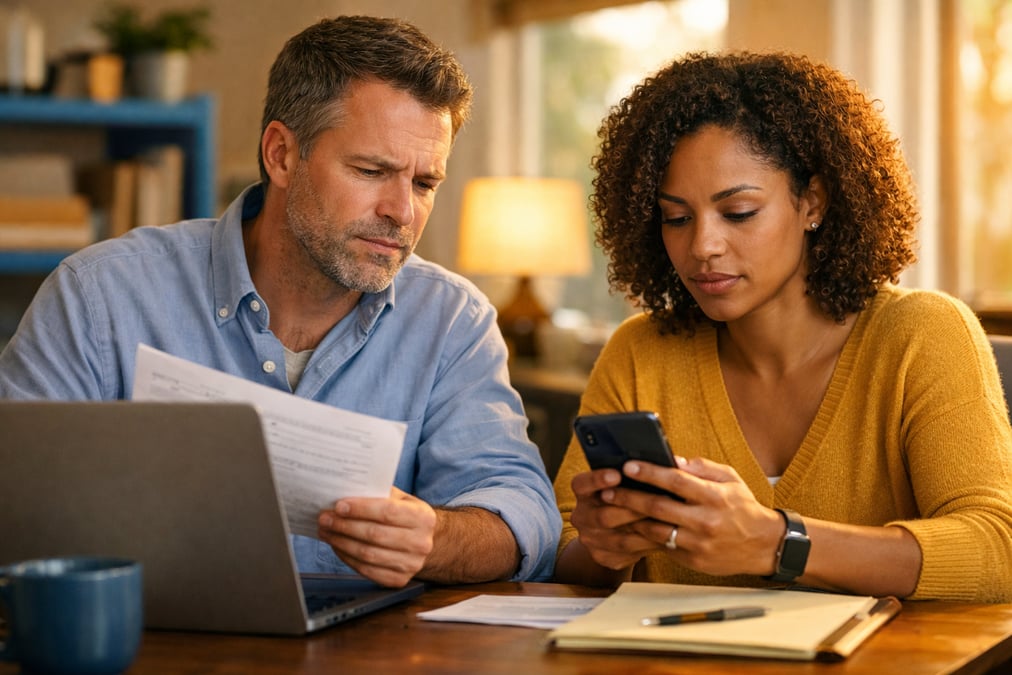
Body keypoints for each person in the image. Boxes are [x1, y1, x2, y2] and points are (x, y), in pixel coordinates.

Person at [0, 15, 560, 589]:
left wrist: (434, 539)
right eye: (371, 171)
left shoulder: (452, 321)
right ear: (282, 155)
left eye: (424, 184)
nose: (403, 212)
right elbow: (15, 500)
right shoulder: (100, 295)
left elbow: (524, 516)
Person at [553, 51, 1012, 602]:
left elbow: (996, 551)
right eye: (676, 218)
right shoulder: (641, 351)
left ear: (812, 202)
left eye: (739, 212)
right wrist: (606, 551)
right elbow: (563, 555)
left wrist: (777, 543)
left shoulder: (922, 335)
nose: (703, 246)